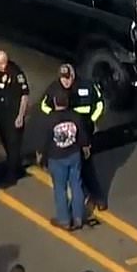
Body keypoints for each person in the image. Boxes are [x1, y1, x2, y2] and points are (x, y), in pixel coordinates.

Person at [41, 64, 107, 211]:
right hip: (66, 135)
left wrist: (91, 120)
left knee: (87, 166)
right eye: (62, 78)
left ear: (73, 75)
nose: (65, 81)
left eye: (68, 77)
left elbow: (100, 104)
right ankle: (84, 198)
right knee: (75, 171)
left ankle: (98, 197)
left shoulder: (87, 86)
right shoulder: (54, 88)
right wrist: (55, 118)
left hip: (84, 132)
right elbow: (44, 105)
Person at [37, 90, 91, 231]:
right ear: (67, 103)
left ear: (55, 102)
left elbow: (45, 140)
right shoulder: (75, 116)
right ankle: (78, 217)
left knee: (60, 189)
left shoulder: (50, 119)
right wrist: (85, 147)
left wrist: (41, 155)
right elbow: (82, 134)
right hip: (74, 155)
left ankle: (64, 220)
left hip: (57, 158)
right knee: (76, 185)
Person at [0, 50, 30, 185]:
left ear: (3, 64)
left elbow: (24, 95)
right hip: (1, 112)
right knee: (5, 141)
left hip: (13, 114)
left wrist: (21, 116)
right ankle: (14, 166)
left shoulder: (16, 74)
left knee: (13, 144)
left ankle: (11, 175)